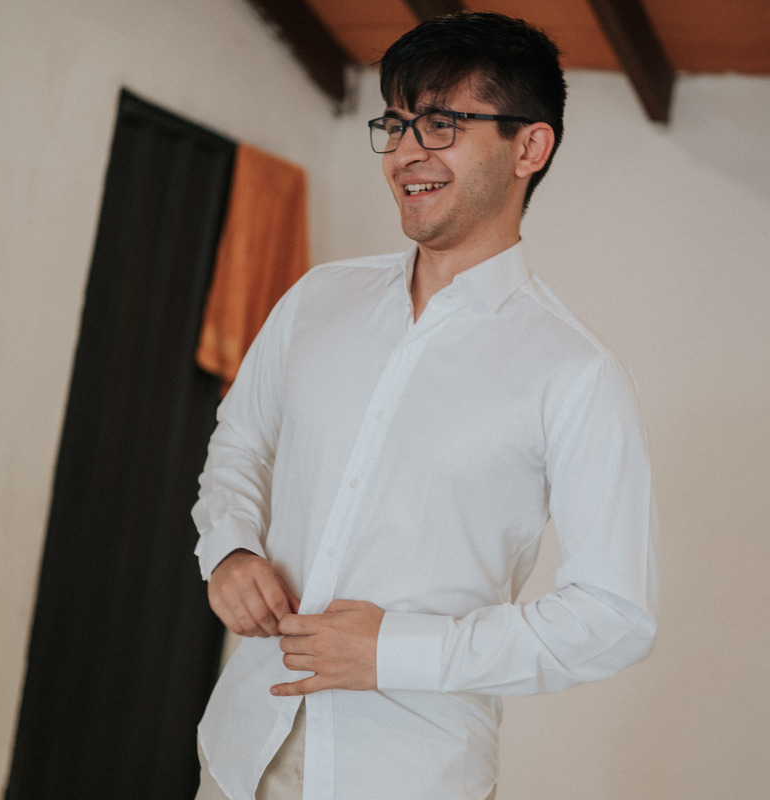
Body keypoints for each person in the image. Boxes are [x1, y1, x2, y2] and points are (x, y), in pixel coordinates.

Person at [190, 11, 658, 800]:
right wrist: (229, 549)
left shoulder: (576, 373)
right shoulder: (317, 300)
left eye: (442, 125)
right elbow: (240, 442)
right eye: (397, 124)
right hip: (239, 752)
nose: (407, 152)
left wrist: (397, 651)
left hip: (407, 775)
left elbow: (615, 615)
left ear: (529, 147)